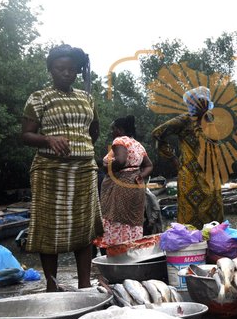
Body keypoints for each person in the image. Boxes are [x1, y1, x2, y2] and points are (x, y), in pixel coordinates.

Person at [21, 44, 103, 292]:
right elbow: (25, 135)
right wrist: (48, 139)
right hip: (50, 171)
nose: (66, 73)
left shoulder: (86, 97)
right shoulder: (39, 98)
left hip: (84, 170)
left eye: (71, 69)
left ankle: (85, 284)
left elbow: (94, 130)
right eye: (60, 69)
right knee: (50, 227)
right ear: (50, 69)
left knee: (84, 226)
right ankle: (52, 285)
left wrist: (82, 147)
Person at [152, 86, 224, 229]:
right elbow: (157, 133)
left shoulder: (209, 119)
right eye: (200, 102)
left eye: (205, 102)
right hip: (190, 177)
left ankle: (214, 246)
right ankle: (192, 248)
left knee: (215, 220)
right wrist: (173, 158)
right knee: (191, 219)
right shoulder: (184, 120)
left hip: (210, 176)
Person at [94, 115, 153, 250]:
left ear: (120, 130)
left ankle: (118, 252)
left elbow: (121, 161)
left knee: (117, 219)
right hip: (136, 187)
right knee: (132, 221)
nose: (111, 132)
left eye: (113, 129)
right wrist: (140, 176)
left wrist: (106, 166)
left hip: (121, 187)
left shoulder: (119, 140)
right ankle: (131, 250)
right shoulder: (137, 144)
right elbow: (149, 165)